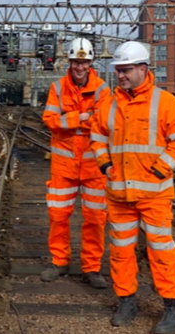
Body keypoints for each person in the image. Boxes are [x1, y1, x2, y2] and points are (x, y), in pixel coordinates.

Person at [89, 41, 175, 334]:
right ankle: (126, 302)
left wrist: (160, 169)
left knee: (161, 251)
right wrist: (105, 166)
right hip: (119, 194)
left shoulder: (166, 103)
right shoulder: (108, 104)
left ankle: (172, 309)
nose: (120, 75)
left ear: (143, 68)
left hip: (154, 194)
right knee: (121, 251)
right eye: (118, 70)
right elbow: (97, 137)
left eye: (126, 70)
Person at [40, 38, 110, 289]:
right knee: (58, 215)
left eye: (84, 62)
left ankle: (91, 267)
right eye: (76, 62)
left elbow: (103, 122)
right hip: (64, 165)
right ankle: (59, 261)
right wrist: (81, 117)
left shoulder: (102, 89)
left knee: (95, 218)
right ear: (69, 62)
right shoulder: (58, 88)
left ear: (91, 63)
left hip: (93, 166)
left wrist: (67, 120)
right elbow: (49, 120)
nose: (80, 67)